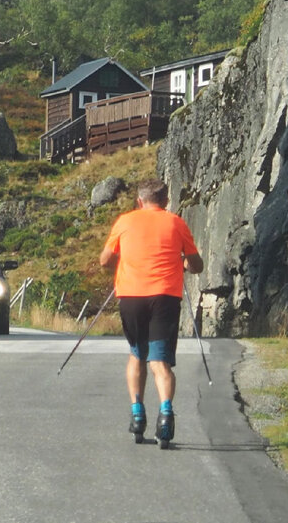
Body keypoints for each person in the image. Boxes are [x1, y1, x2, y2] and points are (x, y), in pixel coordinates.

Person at [99, 178, 203, 445]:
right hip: (165, 297)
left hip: (131, 296)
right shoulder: (176, 223)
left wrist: (126, 259)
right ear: (166, 201)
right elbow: (196, 264)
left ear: (139, 201)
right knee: (160, 362)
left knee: (137, 354)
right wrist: (184, 265)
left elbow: (105, 260)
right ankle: (166, 415)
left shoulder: (124, 222)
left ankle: (137, 415)